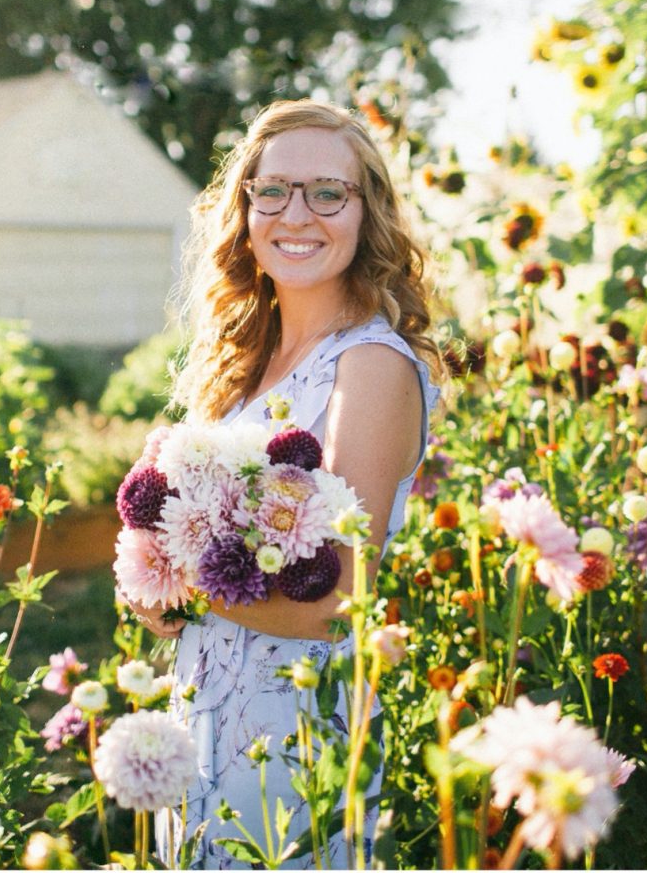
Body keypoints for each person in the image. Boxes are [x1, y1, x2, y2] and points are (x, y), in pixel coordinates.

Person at [131, 99, 443, 869]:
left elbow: (337, 603)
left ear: (368, 212)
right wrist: (150, 574)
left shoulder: (370, 366)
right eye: (272, 190)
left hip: (294, 738)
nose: (295, 214)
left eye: (327, 192)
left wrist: (182, 588)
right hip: (206, 716)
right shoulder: (245, 363)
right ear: (245, 210)